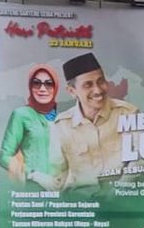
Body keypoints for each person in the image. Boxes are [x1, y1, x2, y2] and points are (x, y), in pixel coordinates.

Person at [40, 52, 137, 191]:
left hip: (120, 204)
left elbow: (142, 160)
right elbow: (58, 178)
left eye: (101, 81)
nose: (98, 90)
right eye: (88, 85)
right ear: (72, 91)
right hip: (82, 206)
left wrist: (118, 192)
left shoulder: (128, 114)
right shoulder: (61, 126)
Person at [0, 64, 60, 191]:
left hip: (62, 197)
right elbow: (4, 157)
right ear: (30, 87)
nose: (42, 88)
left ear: (56, 88)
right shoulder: (21, 114)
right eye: (36, 83)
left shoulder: (62, 119)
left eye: (49, 84)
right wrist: (34, 175)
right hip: (33, 196)